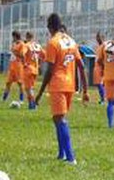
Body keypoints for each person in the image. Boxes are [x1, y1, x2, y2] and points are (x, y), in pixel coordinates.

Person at [36, 13, 89, 164]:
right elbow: (81, 65)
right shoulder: (71, 41)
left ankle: (71, 157)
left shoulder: (53, 42)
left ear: (50, 27)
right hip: (70, 85)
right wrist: (85, 90)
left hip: (58, 84)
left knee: (60, 119)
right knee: (57, 118)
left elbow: (50, 70)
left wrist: (40, 93)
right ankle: (61, 154)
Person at [22, 32, 45, 110]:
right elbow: (44, 56)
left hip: (28, 69)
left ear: (26, 37)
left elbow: (22, 53)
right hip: (35, 69)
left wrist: (24, 63)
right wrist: (39, 64)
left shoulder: (27, 45)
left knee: (28, 89)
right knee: (30, 88)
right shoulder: (38, 46)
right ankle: (30, 105)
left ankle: (33, 105)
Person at [2, 31, 25, 103]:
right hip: (12, 65)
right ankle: (4, 99)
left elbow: (22, 55)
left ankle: (21, 99)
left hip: (18, 65)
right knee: (8, 82)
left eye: (13, 37)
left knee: (20, 83)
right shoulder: (14, 43)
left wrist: (15, 51)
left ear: (15, 36)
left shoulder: (21, 44)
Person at [93, 32, 106, 105]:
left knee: (100, 83)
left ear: (103, 38)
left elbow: (103, 58)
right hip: (97, 66)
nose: (97, 39)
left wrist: (103, 68)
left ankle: (103, 100)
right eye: (97, 37)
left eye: (99, 37)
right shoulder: (99, 47)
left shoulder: (104, 46)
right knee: (99, 84)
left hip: (101, 67)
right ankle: (102, 98)